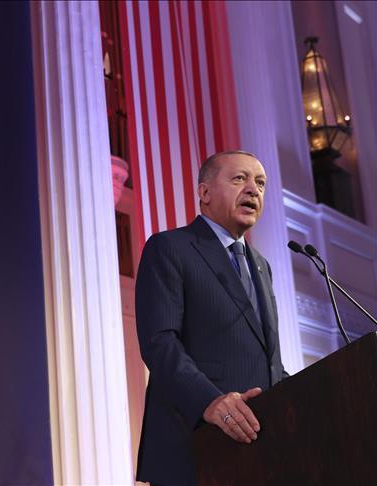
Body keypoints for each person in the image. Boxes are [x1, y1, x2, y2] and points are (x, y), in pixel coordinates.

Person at [134, 150, 288, 485]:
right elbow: (160, 342)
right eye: (240, 179)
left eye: (260, 183)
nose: (253, 190)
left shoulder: (261, 265)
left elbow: (267, 359)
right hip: (195, 445)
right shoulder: (170, 247)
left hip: (257, 449)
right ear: (204, 192)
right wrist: (210, 401)